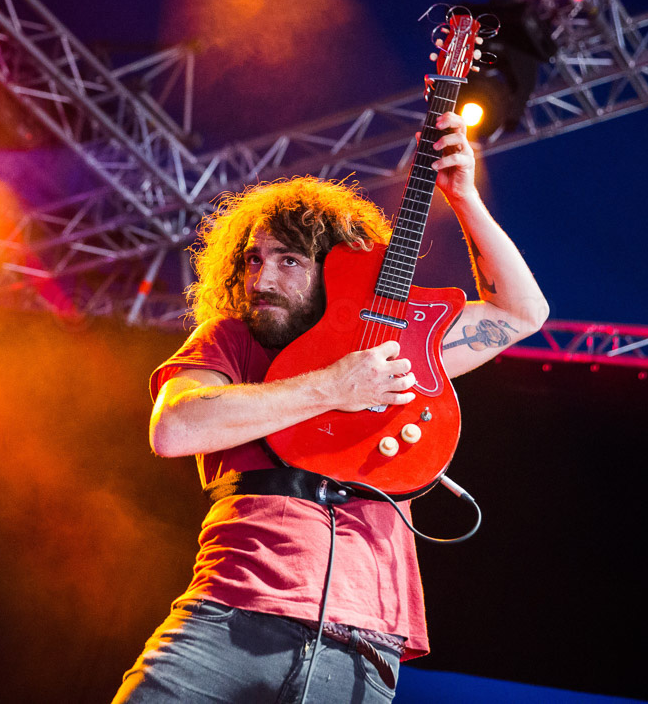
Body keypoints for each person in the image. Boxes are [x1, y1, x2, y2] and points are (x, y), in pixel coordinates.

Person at [114, 110, 548, 703]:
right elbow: (174, 427)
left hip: (365, 647)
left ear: (337, 268)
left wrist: (464, 198)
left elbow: (523, 313)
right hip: (226, 616)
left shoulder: (393, 348)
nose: (262, 279)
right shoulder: (230, 339)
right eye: (253, 260)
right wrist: (333, 387)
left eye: (289, 260)